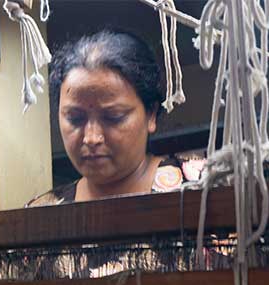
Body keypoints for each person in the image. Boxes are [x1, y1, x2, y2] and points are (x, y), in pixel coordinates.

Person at [28, 29, 203, 207]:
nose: (91, 138)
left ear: (150, 114)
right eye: (75, 119)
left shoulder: (204, 186)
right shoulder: (42, 211)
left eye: (113, 117)